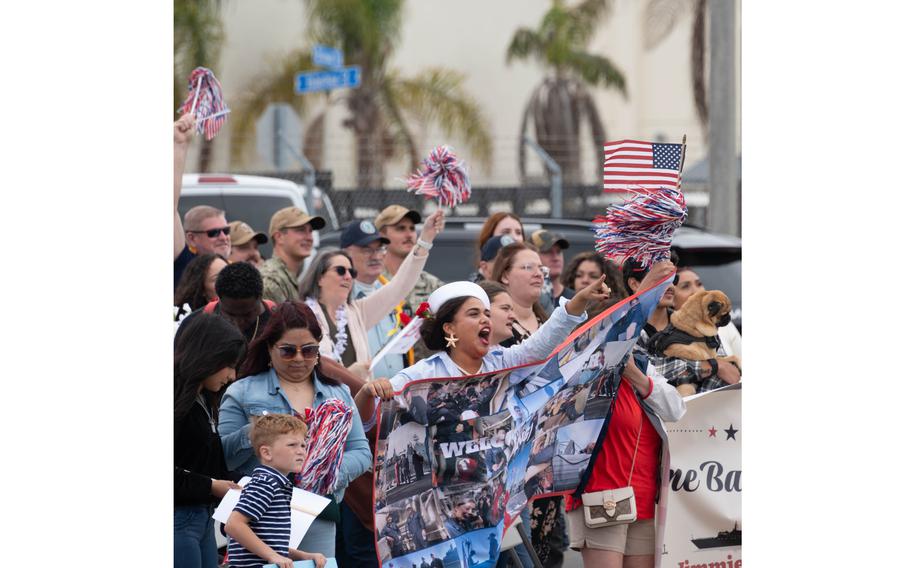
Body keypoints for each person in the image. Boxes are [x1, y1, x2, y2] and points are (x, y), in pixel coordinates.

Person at [219, 301, 373, 558]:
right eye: (288, 351)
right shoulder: (242, 391)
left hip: (317, 511)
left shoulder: (339, 393)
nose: (300, 358)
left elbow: (360, 451)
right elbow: (224, 456)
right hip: (257, 514)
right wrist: (260, 429)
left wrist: (322, 472)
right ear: (270, 348)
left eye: (309, 350)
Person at [565, 351, 686, 568]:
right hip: (601, 494)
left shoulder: (640, 362)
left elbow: (676, 410)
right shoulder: (582, 361)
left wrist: (635, 374)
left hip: (644, 500)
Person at [298, 210, 445, 380]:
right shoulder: (302, 316)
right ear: (319, 277)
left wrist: (425, 239)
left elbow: (400, 285)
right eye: (340, 270)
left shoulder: (355, 312)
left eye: (350, 271)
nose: (347, 276)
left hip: (365, 402)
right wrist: (348, 376)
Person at [174, 313, 247, 568]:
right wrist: (210, 486)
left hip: (202, 522)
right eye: (228, 364)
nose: (232, 375)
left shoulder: (202, 398)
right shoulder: (176, 402)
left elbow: (206, 464)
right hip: (179, 522)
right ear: (206, 356)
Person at [224, 414, 327, 568]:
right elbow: (233, 525)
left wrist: (303, 556)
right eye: (292, 445)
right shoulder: (266, 483)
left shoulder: (276, 484)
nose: (301, 451)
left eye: (303, 445)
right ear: (266, 453)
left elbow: (271, 544)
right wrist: (273, 556)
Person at [624, 260, 741, 394]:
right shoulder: (626, 332)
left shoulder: (697, 324)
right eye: (660, 278)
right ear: (634, 284)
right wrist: (713, 365)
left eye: (672, 278)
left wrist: (696, 404)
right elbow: (648, 374)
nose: (670, 286)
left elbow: (728, 374)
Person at [341, 218, 405, 381]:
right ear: (346, 254)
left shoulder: (390, 293)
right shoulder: (341, 300)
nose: (375, 256)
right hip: (360, 397)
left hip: (396, 395)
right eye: (367, 250)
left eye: (380, 249)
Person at [173, 113, 232, 289]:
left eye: (226, 230)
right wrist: (180, 145)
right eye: (213, 233)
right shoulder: (184, 264)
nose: (223, 237)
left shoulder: (235, 269)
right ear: (191, 238)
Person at [375, 205, 445, 312]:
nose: (409, 235)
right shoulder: (373, 281)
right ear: (382, 235)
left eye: (412, 228)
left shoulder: (430, 283)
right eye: (400, 228)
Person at [490, 242, 551, 347]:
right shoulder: (494, 325)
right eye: (528, 267)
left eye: (541, 269)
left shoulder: (549, 321)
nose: (538, 274)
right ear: (505, 276)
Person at [673, 266, 742, 360]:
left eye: (699, 284)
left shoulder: (725, 327)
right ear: (671, 298)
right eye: (685, 286)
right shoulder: (669, 336)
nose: (696, 291)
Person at [260, 207, 326, 303]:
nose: (309, 238)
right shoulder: (271, 280)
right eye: (301, 230)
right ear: (279, 237)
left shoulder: (287, 276)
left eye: (310, 231)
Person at [561, 252, 626, 307]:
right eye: (579, 275)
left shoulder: (617, 313)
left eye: (593, 276)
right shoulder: (561, 309)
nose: (585, 280)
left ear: (607, 283)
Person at [529, 229, 570, 310]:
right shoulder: (526, 302)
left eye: (558, 252)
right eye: (547, 252)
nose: (556, 258)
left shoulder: (574, 298)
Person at [476, 281, 517, 345]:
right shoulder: (461, 353)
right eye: (505, 308)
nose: (513, 316)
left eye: (512, 310)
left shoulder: (506, 353)